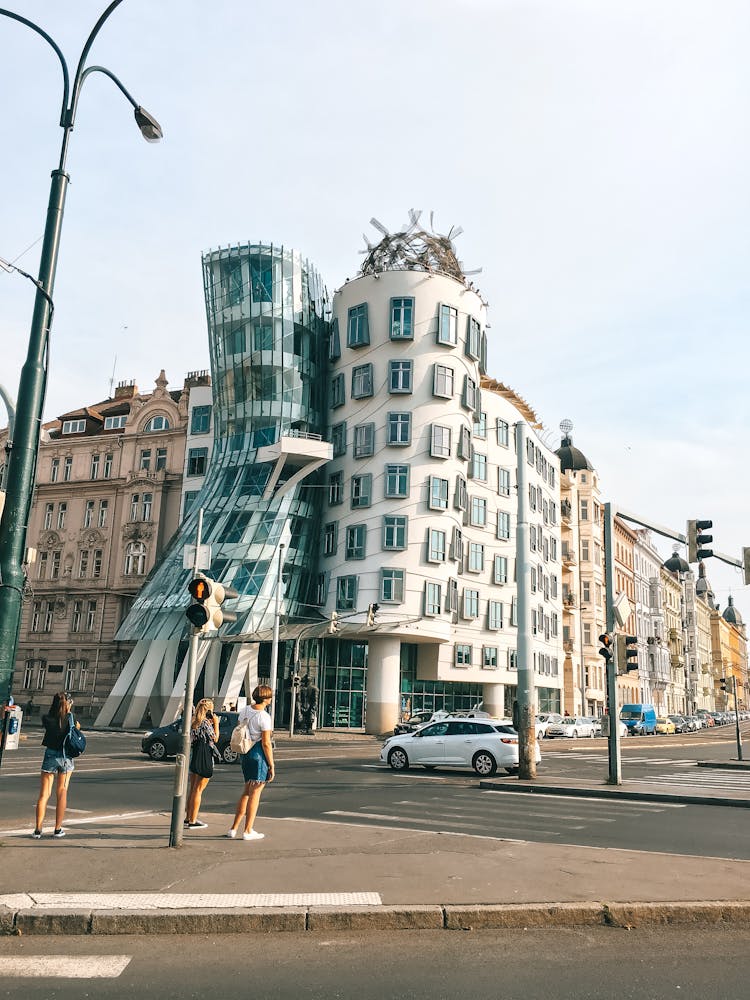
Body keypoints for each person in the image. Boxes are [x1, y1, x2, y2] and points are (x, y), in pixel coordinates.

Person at [227, 685, 275, 841]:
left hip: (245, 753)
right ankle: (248, 830)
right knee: (255, 793)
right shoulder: (264, 717)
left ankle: (233, 828)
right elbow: (266, 743)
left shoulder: (245, 710)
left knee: (246, 791)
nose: (271, 699)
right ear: (266, 698)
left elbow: (239, 727)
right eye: (270, 696)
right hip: (258, 755)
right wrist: (271, 764)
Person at [33, 692, 81, 839]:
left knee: (44, 794)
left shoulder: (47, 718)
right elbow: (77, 729)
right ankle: (57, 829)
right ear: (68, 703)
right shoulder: (71, 718)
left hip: (50, 755)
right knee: (62, 791)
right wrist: (69, 710)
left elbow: (52, 723)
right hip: (66, 757)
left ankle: (38, 830)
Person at [185, 698, 220, 830]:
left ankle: (189, 817)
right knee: (199, 790)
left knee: (193, 788)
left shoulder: (194, 721)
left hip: (195, 754)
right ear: (209, 710)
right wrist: (216, 724)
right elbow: (215, 738)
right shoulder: (206, 723)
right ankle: (193, 820)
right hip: (205, 755)